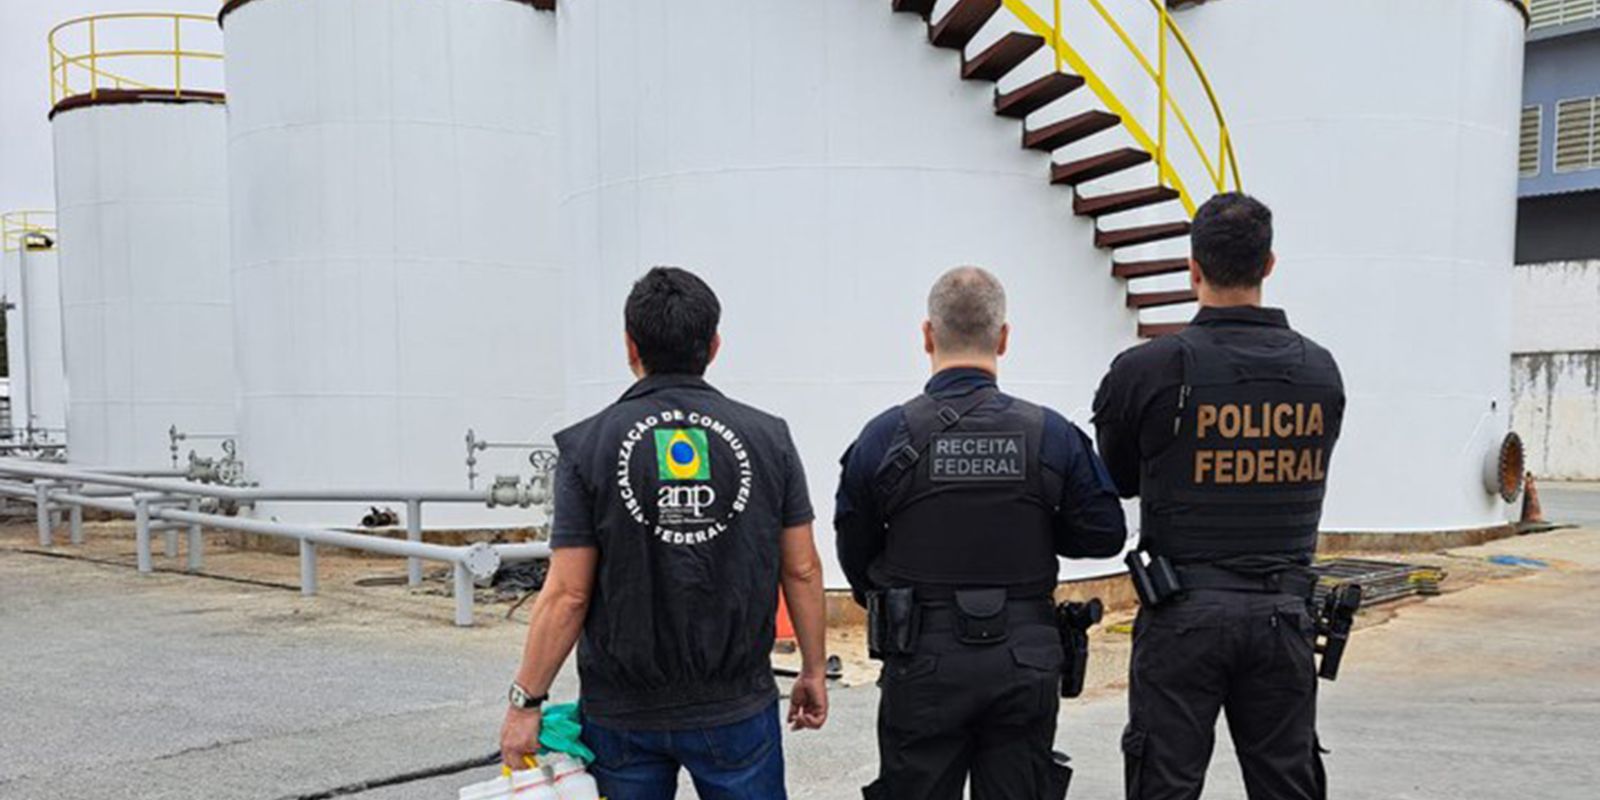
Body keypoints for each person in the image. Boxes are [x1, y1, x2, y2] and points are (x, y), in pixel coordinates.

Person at [498, 266, 829, 800]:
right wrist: (813, 669)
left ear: (630, 346)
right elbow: (803, 568)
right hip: (735, 704)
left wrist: (525, 703)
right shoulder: (769, 438)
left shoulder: (588, 447)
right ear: (714, 346)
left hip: (623, 713)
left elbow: (567, 593)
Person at [836, 266, 1128, 800]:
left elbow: (855, 552)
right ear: (1003, 337)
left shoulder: (883, 436)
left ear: (927, 336)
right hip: (1025, 658)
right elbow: (1105, 535)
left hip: (922, 657)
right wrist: (1040, 524)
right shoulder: (1052, 435)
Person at [1092, 193, 1346, 800]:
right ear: (1269, 264)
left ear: (1193, 269)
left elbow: (1119, 480)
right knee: (1287, 784)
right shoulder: (1320, 369)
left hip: (1183, 615)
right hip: (1283, 614)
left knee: (1164, 785)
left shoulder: (1147, 369)